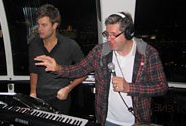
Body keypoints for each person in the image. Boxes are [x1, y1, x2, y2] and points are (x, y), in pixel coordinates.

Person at [34, 11, 168, 126]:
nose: (109, 39)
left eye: (113, 35)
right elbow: (80, 69)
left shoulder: (147, 53)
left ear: (128, 33)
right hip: (106, 120)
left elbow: (161, 87)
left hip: (138, 121)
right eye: (107, 34)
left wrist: (129, 88)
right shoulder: (101, 52)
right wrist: (58, 68)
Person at [28, 4, 86, 115]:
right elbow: (33, 71)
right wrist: (33, 93)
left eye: (44, 25)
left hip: (61, 99)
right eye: (38, 25)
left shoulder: (70, 45)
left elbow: (84, 71)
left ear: (54, 25)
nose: (39, 29)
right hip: (39, 99)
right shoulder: (34, 44)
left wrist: (68, 89)